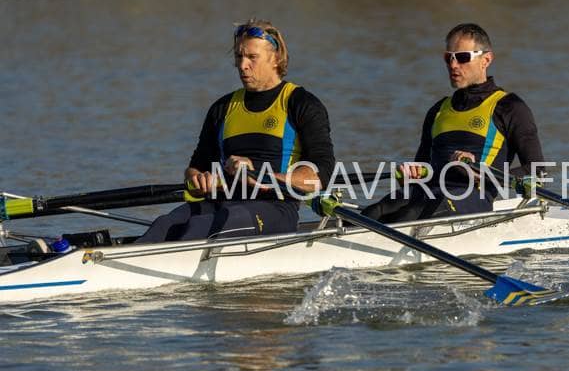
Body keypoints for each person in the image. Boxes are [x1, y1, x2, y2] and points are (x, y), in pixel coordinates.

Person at [137, 19, 335, 243]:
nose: (242, 65)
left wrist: (260, 177)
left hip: (275, 208)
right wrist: (199, 179)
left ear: (276, 58)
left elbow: (321, 174)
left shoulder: (301, 104)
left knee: (207, 224)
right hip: (220, 202)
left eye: (252, 57)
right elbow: (196, 167)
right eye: (239, 56)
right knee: (163, 224)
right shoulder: (222, 108)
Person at [362, 23, 544, 223]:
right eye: (448, 57)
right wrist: (407, 178)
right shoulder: (438, 110)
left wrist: (482, 174)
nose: (453, 65)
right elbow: (422, 168)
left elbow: (537, 170)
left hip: (472, 197)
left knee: (410, 214)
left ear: (486, 60)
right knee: (375, 211)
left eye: (462, 57)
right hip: (427, 193)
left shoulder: (510, 107)